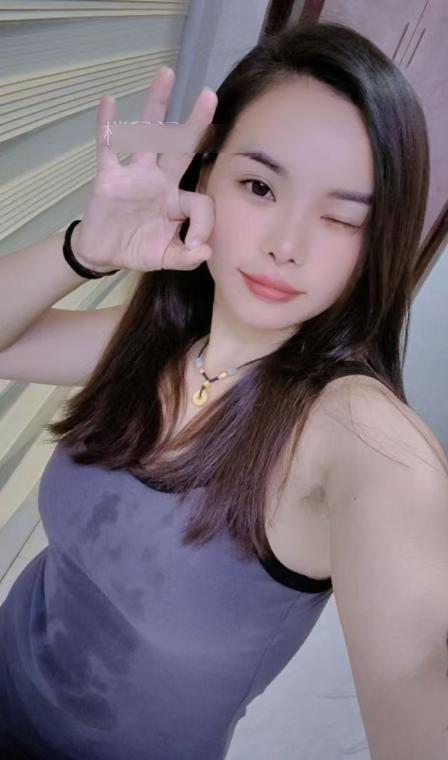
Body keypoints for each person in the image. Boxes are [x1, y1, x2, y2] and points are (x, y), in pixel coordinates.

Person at [0, 20, 445, 760]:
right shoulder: (153, 342)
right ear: (204, 179)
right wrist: (87, 247)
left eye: (341, 219)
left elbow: (418, 670)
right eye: (259, 187)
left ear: (379, 246)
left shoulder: (352, 434)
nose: (286, 245)